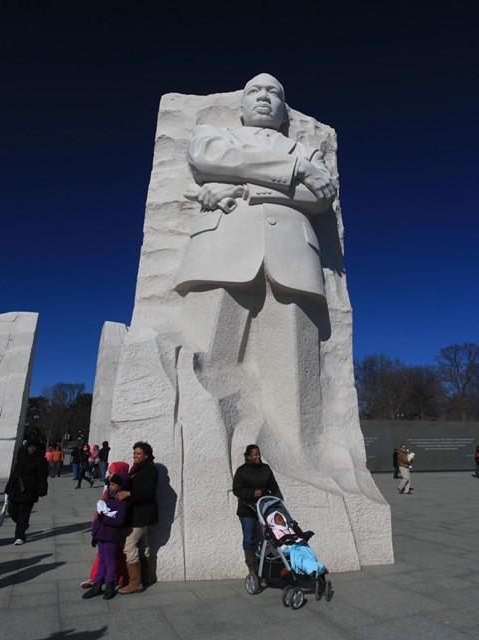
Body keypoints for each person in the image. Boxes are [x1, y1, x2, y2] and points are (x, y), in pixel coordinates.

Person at [175, 72, 336, 466]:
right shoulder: (217, 134)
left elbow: (318, 197)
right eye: (254, 91)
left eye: (274, 93)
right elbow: (208, 159)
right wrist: (293, 169)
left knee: (296, 375)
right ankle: (201, 461)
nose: (264, 97)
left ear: (284, 110)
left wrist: (240, 187)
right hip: (221, 251)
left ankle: (299, 461)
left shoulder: (309, 150)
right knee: (206, 360)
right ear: (241, 104)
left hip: (293, 257)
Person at [232, 444, 282, 580]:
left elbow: (274, 487)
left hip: (263, 510)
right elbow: (237, 489)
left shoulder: (265, 469)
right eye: (255, 455)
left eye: (259, 454)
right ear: (248, 456)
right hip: (247, 511)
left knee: (266, 538)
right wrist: (252, 493)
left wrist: (279, 503)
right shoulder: (242, 471)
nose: (258, 457)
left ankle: (264, 567)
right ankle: (252, 569)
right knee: (249, 539)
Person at [116, 441, 158, 594]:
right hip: (139, 513)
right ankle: (145, 578)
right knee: (143, 546)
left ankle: (135, 582)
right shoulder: (139, 468)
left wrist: (129, 493)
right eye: (134, 453)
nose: (135, 456)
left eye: (138, 454)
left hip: (141, 514)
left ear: (146, 455)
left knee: (129, 545)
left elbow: (147, 491)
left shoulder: (150, 469)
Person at [81, 461, 130, 590]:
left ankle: (113, 580)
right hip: (103, 529)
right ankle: (98, 579)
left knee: (112, 557)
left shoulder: (121, 496)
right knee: (104, 556)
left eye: (112, 473)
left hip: (111, 531)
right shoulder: (110, 491)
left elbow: (118, 518)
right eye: (109, 472)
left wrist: (103, 519)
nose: (109, 476)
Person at [4, 440, 48, 545]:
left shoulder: (41, 460)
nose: (31, 450)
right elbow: (14, 475)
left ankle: (20, 536)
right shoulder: (21, 459)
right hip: (16, 489)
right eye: (29, 447)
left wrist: (42, 489)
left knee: (24, 513)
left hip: (30, 490)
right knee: (11, 510)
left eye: (33, 448)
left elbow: (43, 476)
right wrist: (8, 488)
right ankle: (23, 525)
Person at [266, 510, 325, 576]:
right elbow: (278, 542)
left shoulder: (289, 529)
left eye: (282, 518)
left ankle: (315, 566)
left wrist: (303, 536)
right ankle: (313, 569)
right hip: (288, 548)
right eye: (279, 520)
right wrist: (291, 538)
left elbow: (297, 537)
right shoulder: (275, 532)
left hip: (297, 546)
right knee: (299, 556)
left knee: (307, 551)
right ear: (273, 523)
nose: (282, 520)